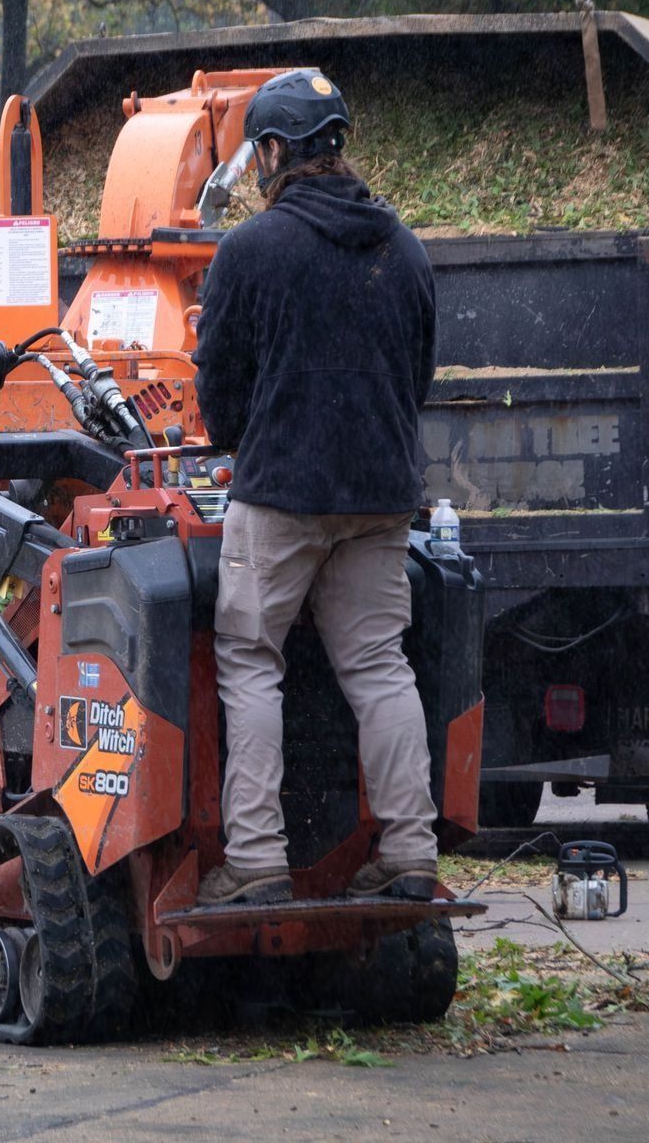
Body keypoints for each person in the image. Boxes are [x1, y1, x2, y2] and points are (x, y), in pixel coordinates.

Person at [192, 68, 441, 906]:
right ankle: (411, 854)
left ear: (272, 152)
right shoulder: (403, 249)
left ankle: (257, 866)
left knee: (251, 660)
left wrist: (246, 439)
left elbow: (219, 393)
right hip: (381, 496)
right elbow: (419, 380)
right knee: (378, 666)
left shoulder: (249, 251)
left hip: (281, 496)